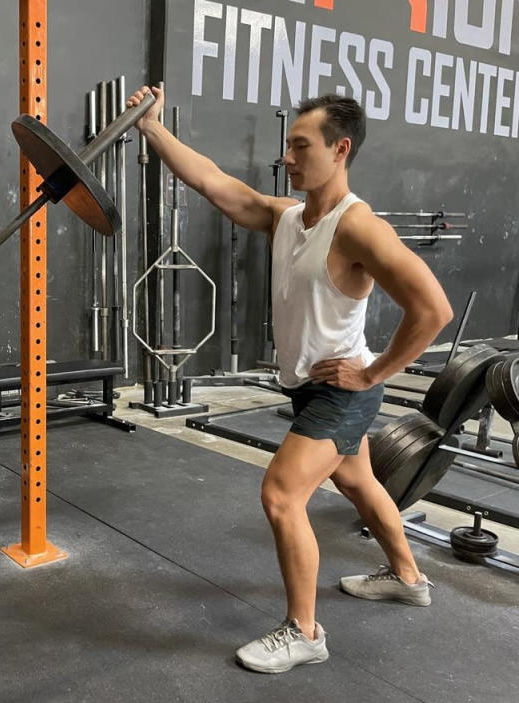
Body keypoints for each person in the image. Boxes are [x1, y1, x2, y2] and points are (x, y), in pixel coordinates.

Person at [127, 87, 454, 674]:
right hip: (311, 387)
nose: (289, 157)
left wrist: (372, 372)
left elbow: (433, 310)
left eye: (302, 146)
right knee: (358, 483)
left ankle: (304, 632)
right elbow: (208, 179)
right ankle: (408, 577)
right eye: (289, 146)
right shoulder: (286, 217)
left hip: (341, 394)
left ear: (341, 149)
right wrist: (152, 129)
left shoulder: (360, 229)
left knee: (281, 495)